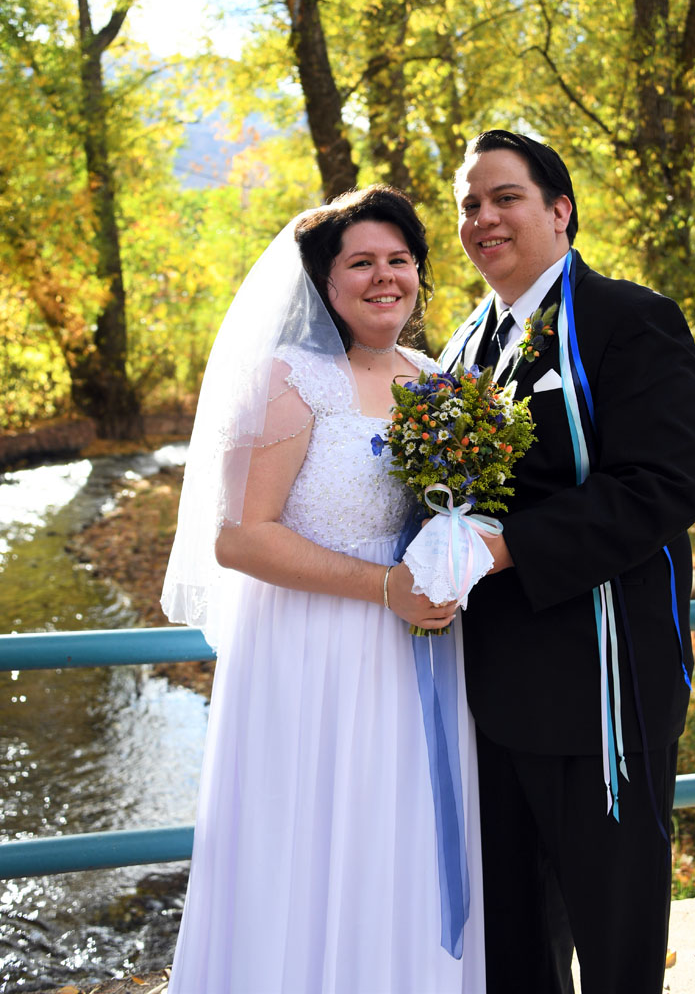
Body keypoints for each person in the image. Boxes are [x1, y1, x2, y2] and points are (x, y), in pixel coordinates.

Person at [161, 186, 485, 993]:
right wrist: (386, 586)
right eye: (362, 262)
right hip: (310, 648)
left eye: (401, 260)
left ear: (420, 273)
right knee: (306, 834)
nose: (386, 277)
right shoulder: (288, 380)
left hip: (420, 652)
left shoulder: (437, 379)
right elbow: (239, 536)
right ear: (326, 282)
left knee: (399, 834)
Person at [439, 131, 695, 994]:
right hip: (485, 694)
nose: (483, 218)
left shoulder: (629, 320)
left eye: (504, 198)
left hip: (602, 694)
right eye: (468, 206)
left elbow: (665, 485)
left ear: (560, 211)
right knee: (512, 948)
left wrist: (509, 546)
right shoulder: (461, 349)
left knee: (615, 939)